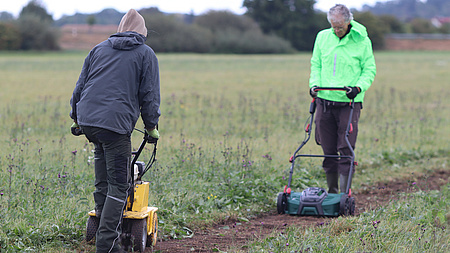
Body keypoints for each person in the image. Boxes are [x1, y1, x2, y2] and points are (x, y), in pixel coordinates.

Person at [69, 9, 160, 253]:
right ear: (142, 32)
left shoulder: (98, 49)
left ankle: (101, 230)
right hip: (116, 125)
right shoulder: (145, 54)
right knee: (120, 185)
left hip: (89, 121)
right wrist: (151, 127)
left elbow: (80, 87)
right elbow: (149, 95)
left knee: (103, 181)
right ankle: (108, 243)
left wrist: (76, 118)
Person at [309, 4, 376, 194]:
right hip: (324, 101)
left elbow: (369, 69)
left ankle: (344, 196)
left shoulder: (362, 41)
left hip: (349, 103)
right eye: (333, 26)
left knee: (345, 148)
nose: (336, 30)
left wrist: (358, 88)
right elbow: (316, 65)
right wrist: (313, 85)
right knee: (328, 150)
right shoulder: (322, 37)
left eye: (340, 26)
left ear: (348, 22)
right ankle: (332, 192)